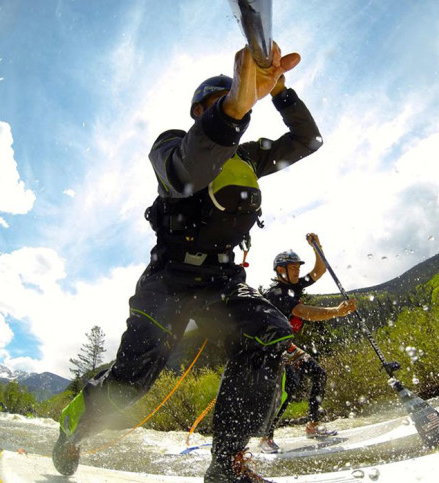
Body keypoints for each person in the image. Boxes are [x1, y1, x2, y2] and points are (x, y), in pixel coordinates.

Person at [51, 42, 323, 483]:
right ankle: (71, 428)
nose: (240, 105)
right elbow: (188, 171)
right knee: (129, 384)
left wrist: (281, 93)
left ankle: (227, 464)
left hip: (222, 280)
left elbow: (307, 140)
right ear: (199, 113)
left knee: (271, 335)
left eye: (242, 96)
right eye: (225, 101)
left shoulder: (250, 157)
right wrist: (236, 104)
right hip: (169, 282)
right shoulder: (171, 147)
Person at [259, 234, 357, 454]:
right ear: (280, 271)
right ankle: (266, 436)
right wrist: (337, 312)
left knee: (319, 373)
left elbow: (318, 271)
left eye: (296, 267)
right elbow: (305, 313)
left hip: (287, 346)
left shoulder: (294, 286)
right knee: (289, 385)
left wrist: (317, 247)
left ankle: (312, 425)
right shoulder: (276, 293)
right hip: (270, 348)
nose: (296, 271)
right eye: (291, 268)